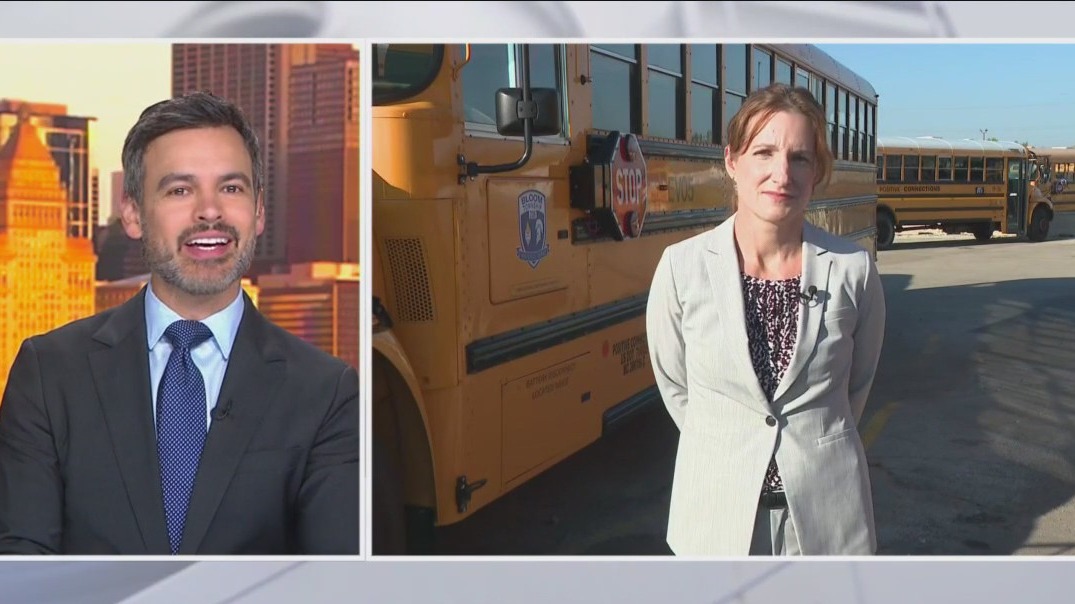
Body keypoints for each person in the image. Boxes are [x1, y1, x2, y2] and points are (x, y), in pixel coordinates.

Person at [0, 91, 359, 555]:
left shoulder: (326, 390)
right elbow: (21, 565)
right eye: (180, 190)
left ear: (260, 211)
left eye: (231, 188)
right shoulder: (49, 373)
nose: (209, 211)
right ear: (131, 214)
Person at [646, 83, 886, 556]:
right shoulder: (682, 267)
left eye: (800, 158)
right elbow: (676, 385)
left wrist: (808, 449)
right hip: (716, 518)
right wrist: (729, 440)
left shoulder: (853, 270)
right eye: (765, 152)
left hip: (825, 522)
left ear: (817, 171)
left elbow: (856, 388)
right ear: (732, 161)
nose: (782, 173)